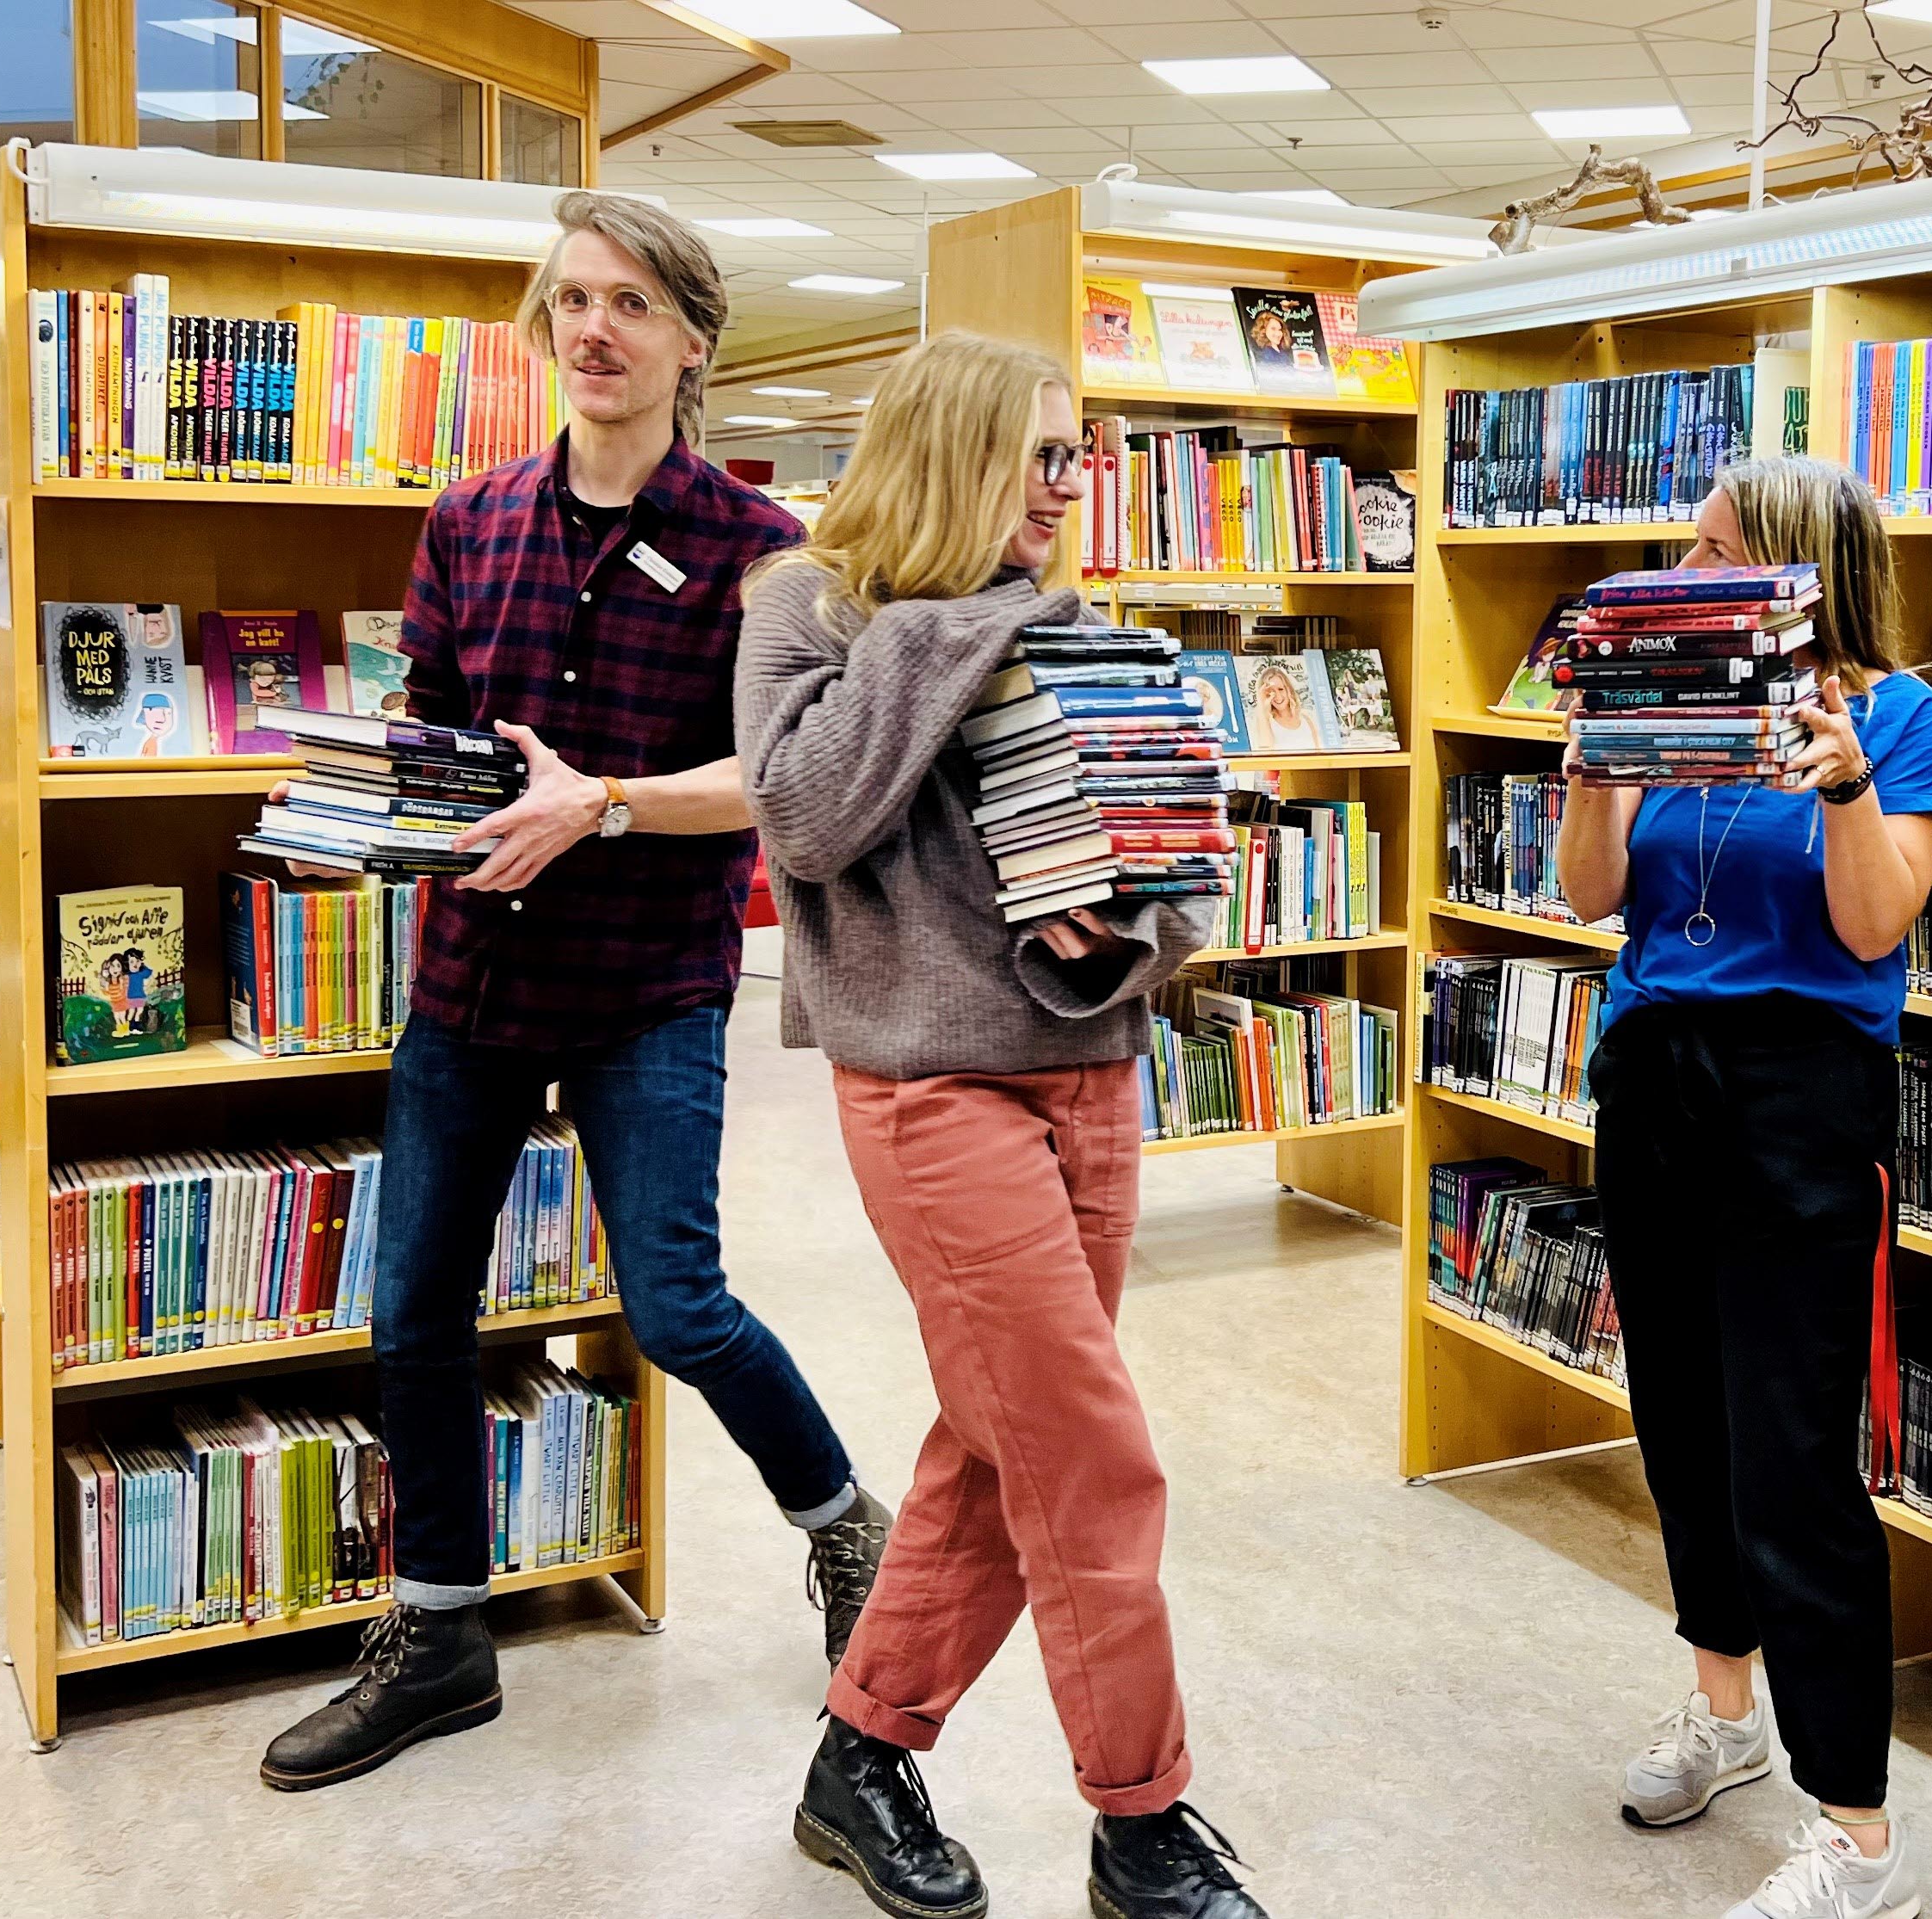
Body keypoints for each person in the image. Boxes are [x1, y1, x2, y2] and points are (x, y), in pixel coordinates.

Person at [258, 191, 890, 1792]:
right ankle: (443, 1629)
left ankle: (845, 1532)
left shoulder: (767, 554)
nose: (593, 332)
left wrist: (598, 799)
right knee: (413, 1313)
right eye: (570, 303)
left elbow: (780, 777)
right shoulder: (468, 520)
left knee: (677, 1305)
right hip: (470, 977)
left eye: (628, 304)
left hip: (648, 987)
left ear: (691, 338)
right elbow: (426, 730)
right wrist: (380, 817)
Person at [736, 328, 1268, 1919]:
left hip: (1092, 1071)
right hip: (927, 1089)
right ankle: (1143, 1822)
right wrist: (953, 620)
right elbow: (811, 818)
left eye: (1075, 454)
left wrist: (1138, 931)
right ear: (954, 446)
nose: (1067, 484)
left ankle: (860, 1754)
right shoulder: (808, 607)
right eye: (1039, 453)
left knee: (1000, 1440)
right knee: (1089, 1454)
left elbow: (1178, 864)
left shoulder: (1083, 627)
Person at [1555, 456, 1932, 1919]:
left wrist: (1845, 778)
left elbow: (1870, 923)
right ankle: (1725, 1708)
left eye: (1716, 549)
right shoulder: (1670, 707)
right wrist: (1597, 763)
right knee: (1678, 1421)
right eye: (1687, 542)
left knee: (1791, 1454)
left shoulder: (1902, 719)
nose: (1683, 566)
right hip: (1652, 1075)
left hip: (1798, 1092)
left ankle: (1859, 1833)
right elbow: (1593, 896)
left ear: (1796, 571)